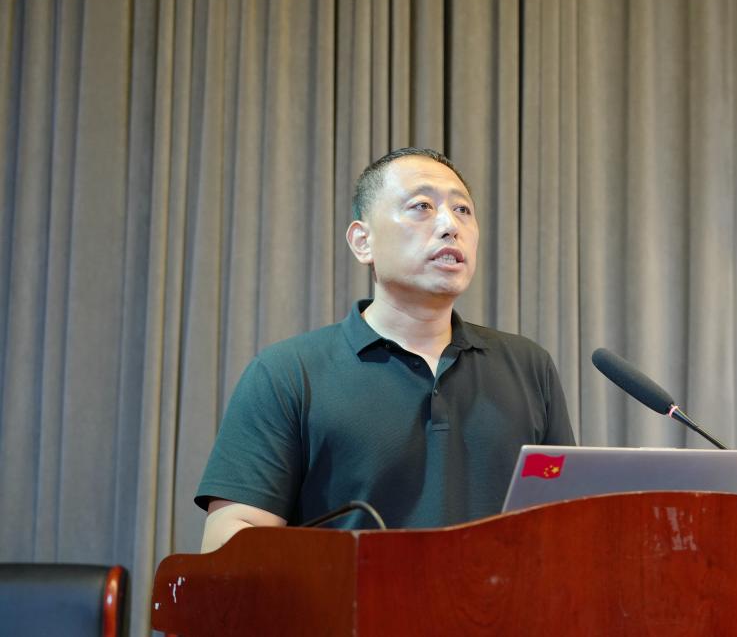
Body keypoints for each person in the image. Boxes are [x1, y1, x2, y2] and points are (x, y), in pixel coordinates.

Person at [196, 147, 576, 551]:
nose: (450, 225)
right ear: (363, 242)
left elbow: (570, 518)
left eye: (463, 210)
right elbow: (231, 537)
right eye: (422, 206)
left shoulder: (528, 365)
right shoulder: (288, 373)